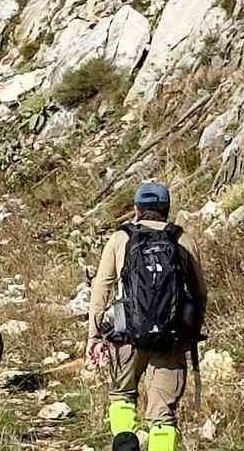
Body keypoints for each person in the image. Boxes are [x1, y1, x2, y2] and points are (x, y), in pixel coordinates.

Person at [87, 181, 208, 451]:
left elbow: (101, 289)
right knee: (163, 416)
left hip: (126, 335)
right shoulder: (181, 240)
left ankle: (125, 445)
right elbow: (200, 293)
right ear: (167, 210)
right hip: (171, 338)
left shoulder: (120, 239)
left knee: (122, 396)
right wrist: (190, 333)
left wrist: (94, 336)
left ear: (136, 209)